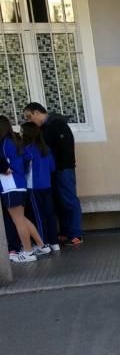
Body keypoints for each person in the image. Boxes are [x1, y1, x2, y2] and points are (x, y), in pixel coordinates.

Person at [23, 102, 82, 247]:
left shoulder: (57, 125)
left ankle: (76, 234)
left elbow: (66, 149)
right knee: (59, 202)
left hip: (63, 169)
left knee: (69, 200)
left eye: (29, 116)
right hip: (53, 172)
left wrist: (60, 168)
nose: (29, 121)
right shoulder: (44, 128)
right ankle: (65, 232)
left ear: (37, 112)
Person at [1, 116, 47, 262]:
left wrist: (7, 168)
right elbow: (27, 158)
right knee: (22, 218)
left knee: (18, 220)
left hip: (10, 185)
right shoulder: (16, 141)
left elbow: (3, 164)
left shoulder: (3, 143)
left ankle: (27, 252)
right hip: (20, 183)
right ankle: (41, 245)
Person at [20, 121, 57, 253]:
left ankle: (44, 243)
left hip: (33, 188)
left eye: (22, 131)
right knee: (49, 215)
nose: (20, 134)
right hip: (47, 185)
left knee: (38, 216)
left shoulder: (27, 149)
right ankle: (54, 242)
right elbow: (52, 168)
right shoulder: (46, 148)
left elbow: (23, 169)